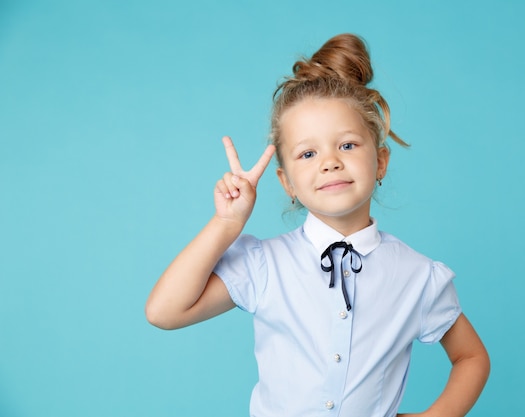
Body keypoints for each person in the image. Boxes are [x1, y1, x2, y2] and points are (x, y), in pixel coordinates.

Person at [146, 33, 490, 417]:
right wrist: (226, 223)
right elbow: (164, 312)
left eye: (346, 145)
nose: (329, 162)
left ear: (381, 161)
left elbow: (471, 356)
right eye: (308, 153)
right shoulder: (263, 264)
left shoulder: (417, 275)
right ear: (287, 182)